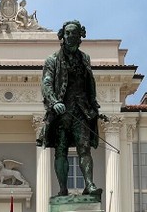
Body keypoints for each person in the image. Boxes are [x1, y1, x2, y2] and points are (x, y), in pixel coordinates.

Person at [38, 20, 102, 199]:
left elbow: (89, 84)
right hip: (61, 112)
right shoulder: (52, 60)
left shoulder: (85, 59)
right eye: (67, 33)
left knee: (84, 149)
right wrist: (54, 101)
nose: (70, 37)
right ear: (62, 35)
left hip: (81, 110)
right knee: (61, 151)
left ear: (80, 36)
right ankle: (63, 189)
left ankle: (89, 184)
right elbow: (47, 83)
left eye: (74, 33)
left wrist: (94, 105)